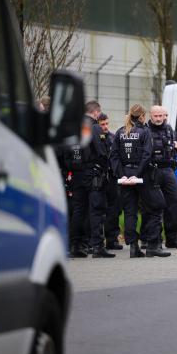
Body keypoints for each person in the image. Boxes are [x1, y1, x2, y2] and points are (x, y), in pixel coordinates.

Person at [111, 104, 170, 258]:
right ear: (143, 116)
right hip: (143, 176)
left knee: (130, 212)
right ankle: (152, 246)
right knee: (156, 208)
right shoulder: (145, 132)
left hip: (125, 178)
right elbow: (147, 155)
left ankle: (133, 247)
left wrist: (122, 175)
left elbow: (114, 156)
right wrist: (136, 175)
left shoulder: (120, 132)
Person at [62, 100, 114, 258]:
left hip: (75, 175)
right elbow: (102, 152)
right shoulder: (95, 128)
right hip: (92, 174)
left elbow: (65, 154)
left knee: (78, 211)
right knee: (96, 210)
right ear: (96, 113)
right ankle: (97, 246)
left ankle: (75, 246)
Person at [148, 106, 177, 250]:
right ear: (151, 116)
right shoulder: (146, 131)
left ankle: (172, 239)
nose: (158, 118)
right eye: (156, 116)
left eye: (161, 116)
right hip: (152, 171)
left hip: (169, 170)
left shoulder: (170, 130)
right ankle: (152, 240)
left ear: (165, 116)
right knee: (153, 206)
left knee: (176, 202)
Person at [97, 112, 123, 250]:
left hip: (113, 178)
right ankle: (97, 240)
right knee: (99, 210)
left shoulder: (113, 137)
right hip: (100, 177)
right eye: (102, 124)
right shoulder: (95, 138)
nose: (105, 127)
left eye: (107, 124)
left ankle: (112, 239)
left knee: (114, 209)